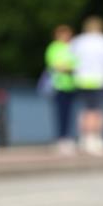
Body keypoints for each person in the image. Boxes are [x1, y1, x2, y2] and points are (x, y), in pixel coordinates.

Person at [70, 16, 103, 155]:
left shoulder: (78, 41)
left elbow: (71, 60)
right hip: (100, 79)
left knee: (86, 109)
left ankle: (85, 138)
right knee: (97, 110)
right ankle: (96, 138)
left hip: (82, 79)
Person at [45, 25, 78, 154]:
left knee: (70, 112)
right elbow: (55, 65)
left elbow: (78, 63)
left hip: (72, 84)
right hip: (58, 85)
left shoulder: (73, 47)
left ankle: (68, 137)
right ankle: (60, 138)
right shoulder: (54, 47)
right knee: (60, 112)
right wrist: (69, 68)